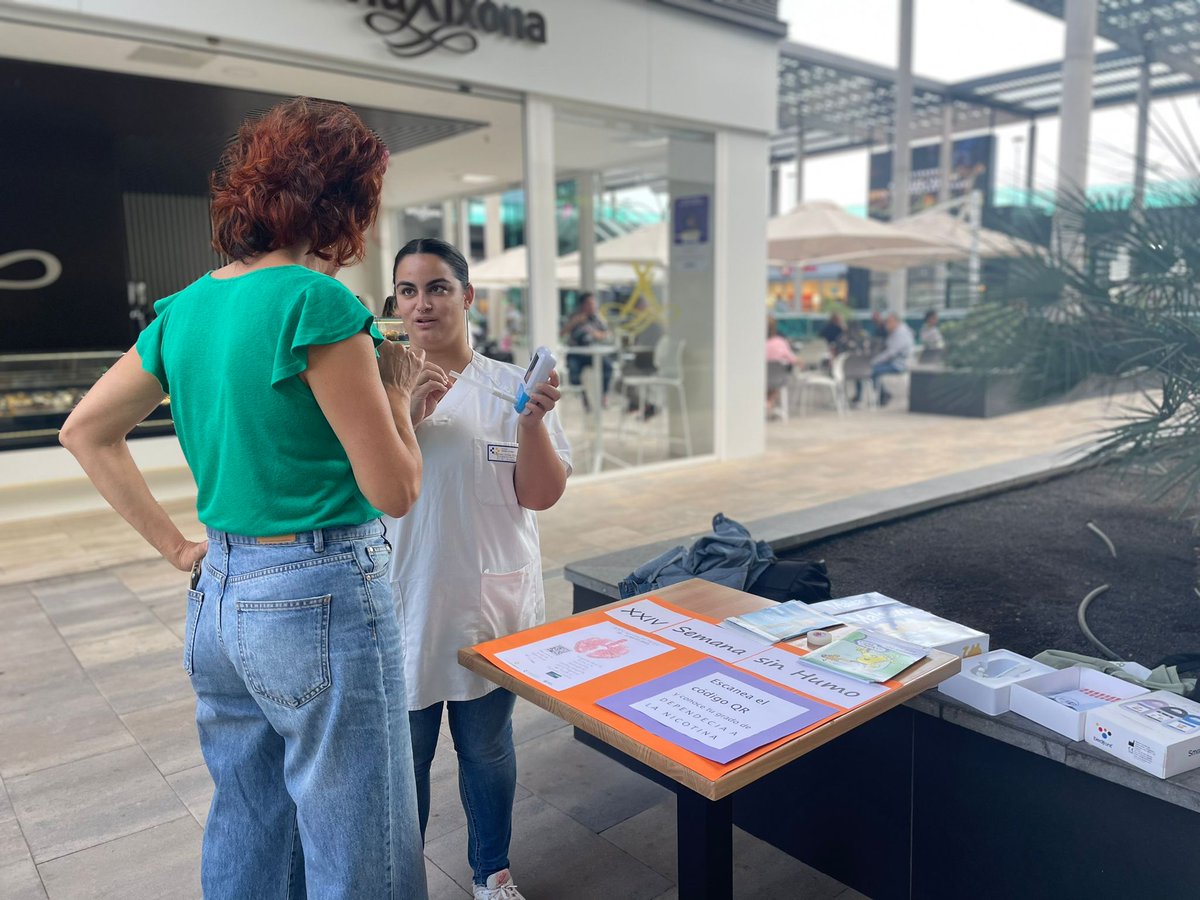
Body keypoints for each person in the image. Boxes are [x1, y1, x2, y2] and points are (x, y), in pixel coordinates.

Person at [59, 98, 432, 900]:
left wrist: (180, 550)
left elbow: (85, 430)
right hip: (320, 592)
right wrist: (400, 398)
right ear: (346, 203)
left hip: (219, 597)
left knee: (250, 822)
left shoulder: (184, 308)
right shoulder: (318, 303)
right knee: (360, 836)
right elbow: (394, 491)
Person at [384, 238, 571, 900]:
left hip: (488, 607)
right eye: (408, 291)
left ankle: (491, 871)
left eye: (436, 287)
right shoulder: (376, 389)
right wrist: (406, 413)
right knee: (402, 763)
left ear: (467, 296)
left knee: (487, 753)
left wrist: (532, 424)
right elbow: (362, 489)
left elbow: (541, 494)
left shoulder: (510, 387)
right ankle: (402, 881)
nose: (422, 303)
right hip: (401, 604)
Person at [561, 291, 612, 408]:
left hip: (592, 353)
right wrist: (574, 322)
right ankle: (584, 398)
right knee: (574, 373)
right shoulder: (572, 317)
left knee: (607, 366)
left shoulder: (597, 318)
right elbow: (561, 333)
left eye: (594, 304)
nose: (593, 306)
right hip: (575, 354)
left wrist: (596, 334)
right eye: (589, 304)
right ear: (582, 305)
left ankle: (603, 395)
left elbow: (607, 334)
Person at [855, 312, 914, 407]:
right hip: (897, 362)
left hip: (898, 364)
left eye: (889, 322)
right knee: (871, 368)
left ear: (895, 322)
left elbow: (890, 353)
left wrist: (874, 361)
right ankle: (881, 394)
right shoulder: (900, 331)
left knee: (871, 370)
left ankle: (882, 395)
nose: (887, 325)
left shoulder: (900, 334)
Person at [765, 316, 797, 417]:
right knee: (778, 381)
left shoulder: (754, 343)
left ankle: (767, 403)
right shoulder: (780, 342)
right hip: (777, 378)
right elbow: (792, 359)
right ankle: (769, 403)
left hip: (759, 378)